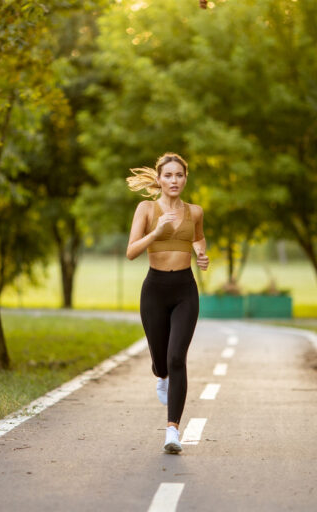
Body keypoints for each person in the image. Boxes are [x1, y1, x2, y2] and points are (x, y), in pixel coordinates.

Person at [126, 152, 209, 454]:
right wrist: (157, 232)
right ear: (159, 179)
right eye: (169, 175)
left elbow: (198, 238)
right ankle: (160, 375)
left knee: (177, 358)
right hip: (155, 291)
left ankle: (172, 430)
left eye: (180, 175)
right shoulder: (146, 209)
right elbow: (131, 251)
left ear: (185, 178)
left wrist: (202, 254)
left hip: (185, 290)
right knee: (161, 362)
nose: (174, 180)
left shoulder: (195, 211)